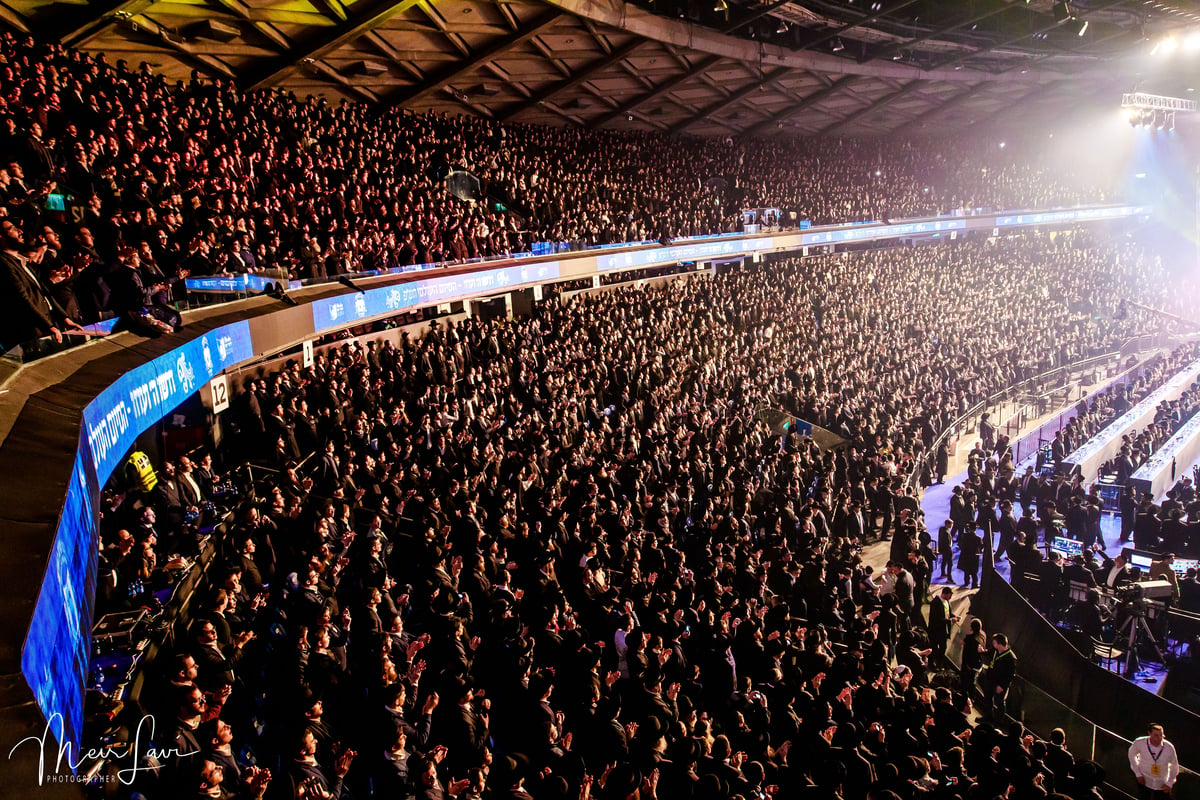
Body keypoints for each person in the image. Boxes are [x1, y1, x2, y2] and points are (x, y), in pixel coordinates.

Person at [1127, 723, 1178, 799]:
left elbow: (1174, 765)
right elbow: (1131, 754)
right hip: (1144, 781)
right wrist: (1138, 773)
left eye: (1161, 735)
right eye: (1156, 735)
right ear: (1149, 734)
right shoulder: (1140, 742)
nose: (1159, 738)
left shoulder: (1169, 747)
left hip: (1162, 784)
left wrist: (1170, 783)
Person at [982, 632, 1016, 721]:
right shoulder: (995, 650)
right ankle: (987, 717)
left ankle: (998, 721)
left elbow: (1010, 675)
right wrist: (982, 651)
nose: (993, 645)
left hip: (1000, 684)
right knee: (988, 698)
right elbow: (989, 652)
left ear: (1000, 644)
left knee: (1000, 702)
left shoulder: (1011, 658)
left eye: (994, 643)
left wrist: (1002, 686)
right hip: (991, 680)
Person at [926, 586, 958, 667]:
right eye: (949, 595)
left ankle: (939, 663)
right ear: (944, 594)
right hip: (935, 630)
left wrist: (955, 617)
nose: (950, 598)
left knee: (943, 648)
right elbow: (936, 619)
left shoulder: (947, 602)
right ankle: (932, 664)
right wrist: (950, 620)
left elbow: (949, 613)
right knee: (933, 647)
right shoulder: (935, 603)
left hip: (943, 631)